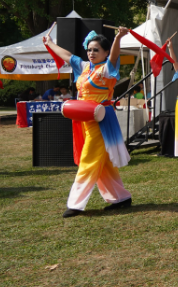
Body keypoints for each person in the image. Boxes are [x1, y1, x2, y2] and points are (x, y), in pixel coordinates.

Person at [44, 29, 133, 218]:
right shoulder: (85, 66)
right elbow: (67, 56)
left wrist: (118, 38)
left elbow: (116, 54)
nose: (91, 53)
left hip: (102, 119)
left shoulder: (108, 69)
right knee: (104, 162)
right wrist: (49, 42)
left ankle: (75, 204)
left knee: (89, 158)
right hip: (86, 118)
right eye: (90, 49)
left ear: (105, 52)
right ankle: (121, 197)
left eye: (96, 50)